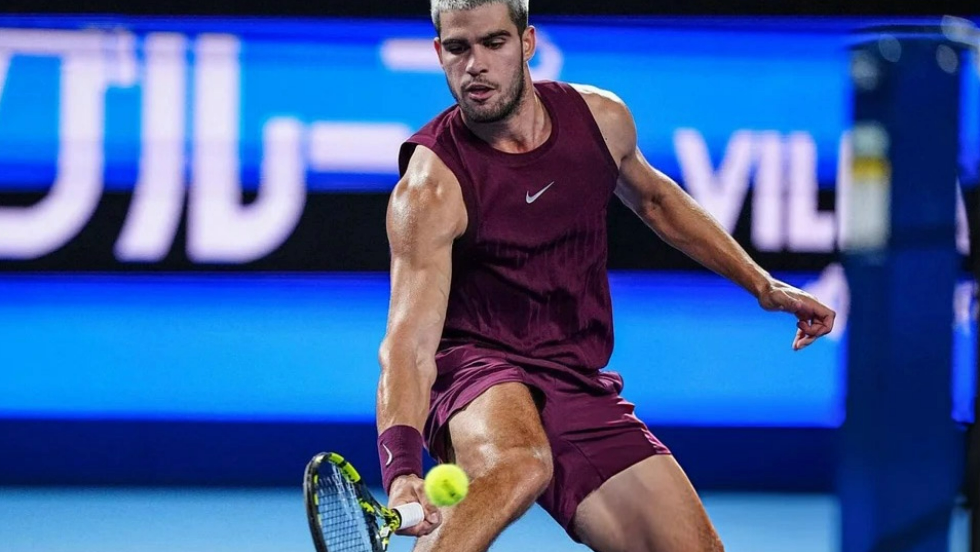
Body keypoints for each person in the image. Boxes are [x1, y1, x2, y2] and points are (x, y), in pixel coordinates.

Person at [374, 1, 837, 551]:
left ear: (527, 44)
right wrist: (402, 467)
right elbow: (408, 344)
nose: (475, 64)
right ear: (439, 53)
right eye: (457, 48)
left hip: (573, 374)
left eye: (493, 43)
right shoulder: (429, 188)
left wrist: (763, 284)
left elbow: (658, 200)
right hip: (474, 368)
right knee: (519, 462)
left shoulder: (599, 120)